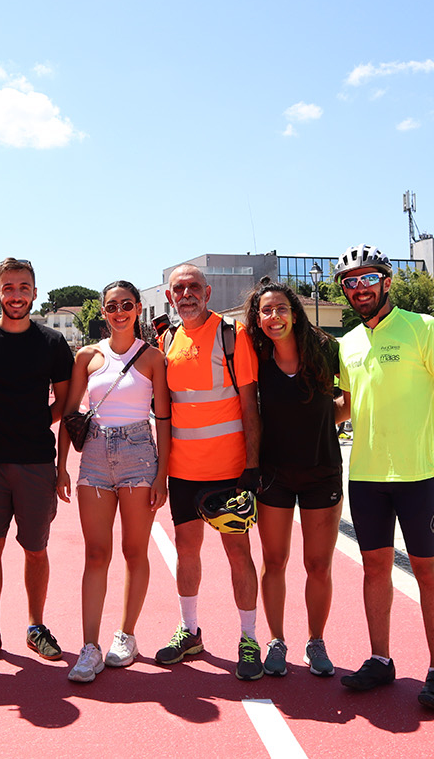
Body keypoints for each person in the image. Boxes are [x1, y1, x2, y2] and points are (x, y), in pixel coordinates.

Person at [332, 245, 434, 712]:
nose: (359, 288)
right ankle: (380, 659)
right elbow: (346, 406)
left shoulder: (423, 328)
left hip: (416, 476)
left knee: (427, 570)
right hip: (365, 477)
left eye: (367, 279)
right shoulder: (348, 343)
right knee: (374, 568)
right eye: (350, 282)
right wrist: (297, 414)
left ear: (387, 282)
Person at [0, 258, 75, 666]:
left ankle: (36, 626)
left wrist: (35, 424)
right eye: (8, 287)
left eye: (24, 287)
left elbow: (65, 402)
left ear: (35, 292)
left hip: (36, 461)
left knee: (36, 549)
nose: (16, 295)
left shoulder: (52, 343)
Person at [153, 264, 264, 681]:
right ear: (169, 297)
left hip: (229, 471)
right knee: (186, 551)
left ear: (208, 291)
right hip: (183, 471)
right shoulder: (167, 339)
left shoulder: (232, 335)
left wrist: (251, 467)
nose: (187, 294)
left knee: (238, 553)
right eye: (179, 289)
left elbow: (249, 406)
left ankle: (249, 638)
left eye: (194, 287)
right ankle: (190, 631)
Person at [56, 280, 171, 683]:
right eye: (111, 306)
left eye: (126, 304)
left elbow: (164, 418)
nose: (119, 312)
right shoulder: (87, 356)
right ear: (102, 311)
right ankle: (89, 647)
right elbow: (71, 413)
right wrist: (61, 466)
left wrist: (162, 473)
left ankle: (126, 635)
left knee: (134, 551)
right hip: (95, 456)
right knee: (96, 554)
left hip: (140, 455)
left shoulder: (153, 357)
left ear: (138, 308)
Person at [245, 282, 346, 678]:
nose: (274, 317)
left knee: (318, 564)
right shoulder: (256, 357)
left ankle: (316, 641)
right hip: (274, 475)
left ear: (295, 312)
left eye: (281, 308)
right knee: (274, 561)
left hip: (322, 471)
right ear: (258, 319)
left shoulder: (326, 349)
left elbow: (348, 402)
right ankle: (276, 640)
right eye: (266, 311)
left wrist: (318, 422)